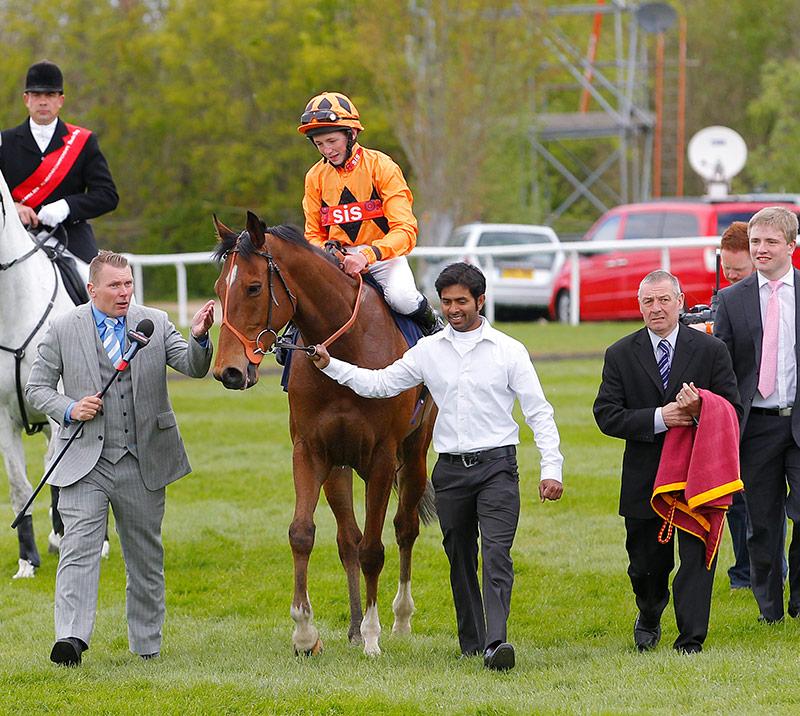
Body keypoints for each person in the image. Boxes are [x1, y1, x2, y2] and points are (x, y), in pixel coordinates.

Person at [307, 261, 563, 671]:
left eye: (461, 301)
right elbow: (380, 384)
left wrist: (552, 468)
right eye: (446, 302)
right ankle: (472, 642)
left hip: (498, 467)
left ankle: (497, 643)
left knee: (496, 555)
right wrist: (330, 366)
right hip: (451, 473)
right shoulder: (427, 351)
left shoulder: (510, 351)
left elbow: (539, 413)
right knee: (459, 557)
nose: (453, 309)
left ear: (481, 300)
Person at [25, 251, 214, 666]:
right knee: (78, 549)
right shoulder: (62, 328)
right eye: (115, 286)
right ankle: (70, 640)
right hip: (82, 461)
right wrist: (70, 408)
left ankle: (146, 646)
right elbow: (36, 389)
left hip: (142, 459)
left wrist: (200, 337)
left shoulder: (157, 323)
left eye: (128, 284)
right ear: (93, 289)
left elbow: (193, 367)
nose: (124, 292)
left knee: (145, 556)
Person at [594, 270, 740, 654]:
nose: (656, 309)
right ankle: (650, 612)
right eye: (648, 302)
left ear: (680, 302)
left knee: (696, 562)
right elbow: (606, 414)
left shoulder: (711, 350)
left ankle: (691, 639)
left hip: (697, 476)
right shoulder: (620, 353)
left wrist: (699, 410)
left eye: (663, 300)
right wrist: (661, 417)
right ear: (639, 306)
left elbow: (733, 411)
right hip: (645, 479)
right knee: (646, 567)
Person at [715, 206, 800, 623]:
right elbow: (724, 367)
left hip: (798, 421)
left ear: (791, 245)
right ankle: (771, 611)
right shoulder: (731, 300)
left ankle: (799, 602)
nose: (761, 250)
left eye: (770, 242)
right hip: (757, 427)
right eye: (755, 243)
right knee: (762, 524)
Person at [298, 91, 439, 334]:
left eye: (332, 141)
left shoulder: (382, 166)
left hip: (383, 258)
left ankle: (435, 328)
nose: (327, 150)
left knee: (402, 298)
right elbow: (313, 234)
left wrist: (367, 255)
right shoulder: (314, 177)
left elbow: (405, 231)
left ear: (351, 134)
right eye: (319, 144)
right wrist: (329, 255)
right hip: (336, 262)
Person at [0, 60, 118, 283]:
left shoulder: (83, 142)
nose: (43, 101)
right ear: (26, 99)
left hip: (70, 235)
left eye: (50, 94)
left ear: (60, 100)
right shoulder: (4, 142)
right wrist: (13, 207)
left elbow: (107, 196)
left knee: (99, 288)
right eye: (36, 95)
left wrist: (67, 206)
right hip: (15, 236)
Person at [719, 221, 758, 589]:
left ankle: (760, 569)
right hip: (735, 412)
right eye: (726, 268)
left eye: (738, 270)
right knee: (738, 497)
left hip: (766, 410)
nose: (730, 276)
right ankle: (747, 571)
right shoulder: (727, 298)